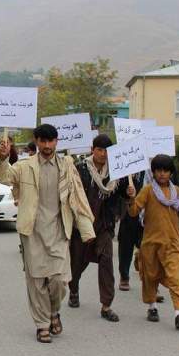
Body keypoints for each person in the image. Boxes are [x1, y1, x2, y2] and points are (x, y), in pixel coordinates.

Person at [0, 124, 96, 343]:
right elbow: (5, 178)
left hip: (59, 232)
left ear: (57, 142)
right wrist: (2, 159)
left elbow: (78, 196)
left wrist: (86, 229)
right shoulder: (25, 166)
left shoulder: (67, 166)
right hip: (32, 233)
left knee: (59, 281)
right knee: (37, 282)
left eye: (51, 141)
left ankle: (53, 311)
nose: (47, 145)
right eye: (43, 141)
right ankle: (42, 324)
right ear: (37, 141)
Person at [127, 154, 179, 329]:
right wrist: (131, 197)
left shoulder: (178, 193)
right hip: (151, 244)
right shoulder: (147, 191)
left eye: (165, 170)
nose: (162, 174)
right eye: (158, 170)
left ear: (170, 173)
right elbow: (133, 212)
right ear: (153, 172)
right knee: (150, 277)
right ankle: (152, 306)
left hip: (172, 244)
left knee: (174, 277)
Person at [68, 134, 126, 322]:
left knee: (107, 260)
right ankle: (73, 288)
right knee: (77, 263)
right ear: (92, 150)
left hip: (104, 226)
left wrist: (129, 192)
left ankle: (106, 305)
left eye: (106, 151)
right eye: (99, 150)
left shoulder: (117, 171)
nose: (102, 154)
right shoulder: (80, 169)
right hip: (82, 224)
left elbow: (123, 194)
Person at [117, 170, 146, 291]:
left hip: (149, 214)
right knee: (126, 246)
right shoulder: (126, 168)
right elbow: (117, 189)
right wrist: (127, 188)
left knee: (149, 248)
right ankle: (124, 276)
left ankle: (151, 283)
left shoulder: (156, 169)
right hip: (130, 211)